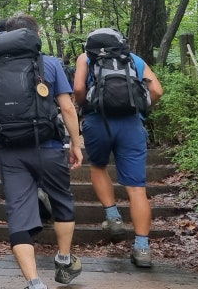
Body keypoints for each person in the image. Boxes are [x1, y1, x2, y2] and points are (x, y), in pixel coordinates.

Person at [0, 13, 83, 288]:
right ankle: (63, 259)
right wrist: (76, 143)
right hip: (48, 146)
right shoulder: (48, 63)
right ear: (35, 36)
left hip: (9, 149)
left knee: (18, 214)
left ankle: (34, 283)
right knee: (62, 200)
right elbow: (66, 107)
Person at [72, 29, 164, 268]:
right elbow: (157, 91)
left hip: (97, 121)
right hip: (132, 125)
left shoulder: (86, 58)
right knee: (136, 189)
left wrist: (86, 108)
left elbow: (79, 89)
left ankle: (113, 217)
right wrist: (140, 108)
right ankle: (142, 248)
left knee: (98, 166)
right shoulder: (134, 59)